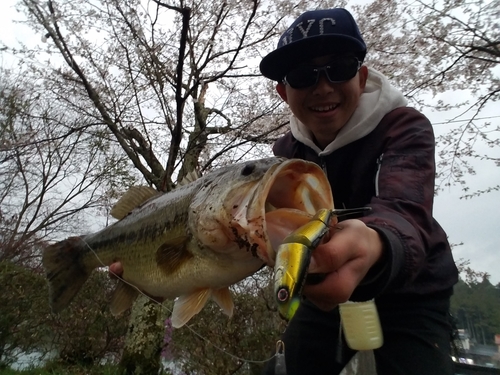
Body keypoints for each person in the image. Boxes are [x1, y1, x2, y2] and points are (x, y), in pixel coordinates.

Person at [258, 8, 458, 375]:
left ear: (362, 76)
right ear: (284, 92)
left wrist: (375, 242)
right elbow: (264, 226)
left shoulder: (405, 127)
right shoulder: (286, 156)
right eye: (303, 75)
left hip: (414, 296)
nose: (322, 87)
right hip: (326, 297)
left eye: (340, 68)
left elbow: (405, 209)